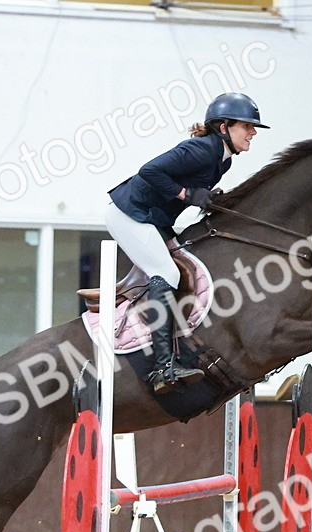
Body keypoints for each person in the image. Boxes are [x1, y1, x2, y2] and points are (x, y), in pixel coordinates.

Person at [106, 92, 268, 395]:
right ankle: (162, 367)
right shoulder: (201, 150)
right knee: (166, 273)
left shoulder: (223, 162)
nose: (253, 132)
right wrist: (186, 195)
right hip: (130, 214)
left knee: (188, 262)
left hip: (153, 219)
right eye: (246, 126)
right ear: (223, 127)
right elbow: (149, 171)